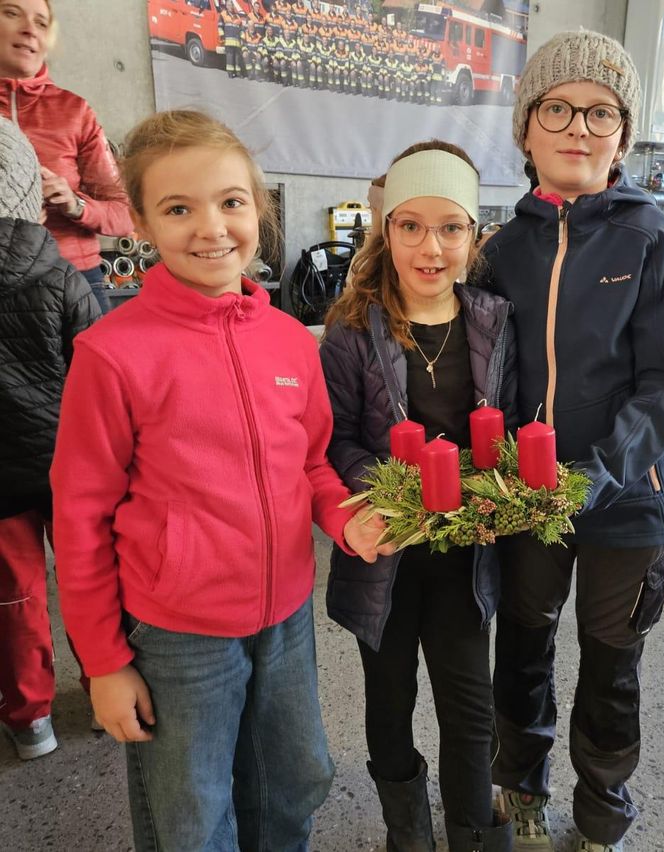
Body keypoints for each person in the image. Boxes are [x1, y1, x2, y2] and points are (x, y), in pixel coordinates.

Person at [50, 109, 391, 851]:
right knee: (192, 814)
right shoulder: (111, 354)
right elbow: (79, 518)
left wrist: (345, 519)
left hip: (284, 612)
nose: (211, 227)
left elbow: (312, 462)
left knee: (297, 776)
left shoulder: (288, 340)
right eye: (179, 208)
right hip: (177, 632)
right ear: (138, 220)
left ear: (258, 209)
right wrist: (104, 663)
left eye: (231, 202)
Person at [474, 31, 664, 852]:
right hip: (528, 500)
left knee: (611, 667)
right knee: (524, 647)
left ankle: (603, 809)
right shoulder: (501, 250)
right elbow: (485, 378)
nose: (579, 126)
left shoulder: (653, 237)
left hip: (627, 501)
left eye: (600, 112)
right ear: (527, 129)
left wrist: (597, 475)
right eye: (558, 107)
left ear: (621, 135)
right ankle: (520, 785)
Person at [321, 140, 518, 851]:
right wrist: (393, 495)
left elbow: (516, 427)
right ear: (387, 230)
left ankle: (473, 835)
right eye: (411, 226)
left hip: (466, 557)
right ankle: (408, 835)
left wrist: (505, 495)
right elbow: (337, 438)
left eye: (450, 228)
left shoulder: (494, 323)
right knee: (390, 697)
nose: (430, 247)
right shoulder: (351, 332)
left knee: (470, 707)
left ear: (473, 234)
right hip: (388, 554)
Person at [0, 117, 100, 760]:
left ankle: (30, 716)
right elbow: (97, 374)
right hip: (71, 464)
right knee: (91, 575)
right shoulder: (61, 276)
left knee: (14, 593)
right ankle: (104, 691)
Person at [0, 0, 133, 313]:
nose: (29, 29)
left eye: (41, 22)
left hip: (75, 278)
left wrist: (76, 205)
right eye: (11, 13)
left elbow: (123, 214)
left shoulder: (75, 111)